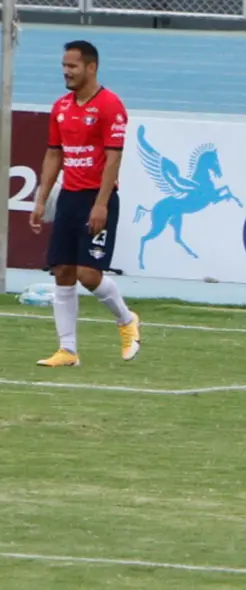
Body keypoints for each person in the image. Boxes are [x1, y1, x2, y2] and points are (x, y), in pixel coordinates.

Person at [29, 40, 141, 367]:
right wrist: (41, 198)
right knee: (62, 270)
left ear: (91, 67)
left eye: (73, 66)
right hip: (69, 199)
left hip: (97, 198)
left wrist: (102, 203)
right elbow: (54, 153)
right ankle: (68, 350)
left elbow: (113, 158)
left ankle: (126, 320)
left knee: (88, 275)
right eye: (64, 65)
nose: (66, 71)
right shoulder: (61, 107)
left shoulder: (109, 106)